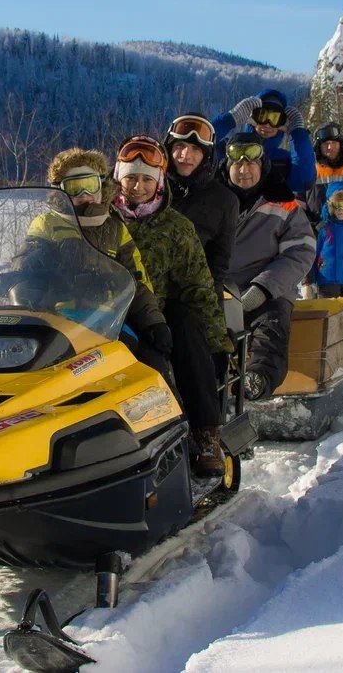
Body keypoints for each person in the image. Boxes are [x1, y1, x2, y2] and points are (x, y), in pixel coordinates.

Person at [112, 135, 233, 475]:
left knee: (187, 322)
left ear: (159, 183)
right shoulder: (103, 221)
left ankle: (206, 432)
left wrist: (216, 343)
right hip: (104, 314)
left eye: (147, 179)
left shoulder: (176, 228)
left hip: (158, 316)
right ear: (118, 178)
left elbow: (198, 286)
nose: (138, 186)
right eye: (131, 177)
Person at [20, 148, 172, 365]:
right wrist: (38, 262)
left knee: (151, 364)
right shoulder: (47, 224)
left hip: (107, 321)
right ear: (60, 191)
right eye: (73, 187)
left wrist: (153, 322)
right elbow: (26, 260)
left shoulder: (115, 229)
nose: (83, 194)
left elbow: (137, 280)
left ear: (101, 187)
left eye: (90, 185)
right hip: (57, 318)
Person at [223, 132, 316, 401]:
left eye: (250, 164)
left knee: (270, 327)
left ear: (262, 166)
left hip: (267, 290)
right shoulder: (214, 202)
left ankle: (258, 377)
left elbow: (301, 250)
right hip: (220, 290)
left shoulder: (283, 203)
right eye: (237, 165)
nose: (243, 171)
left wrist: (264, 286)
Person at [164, 113, 238, 299]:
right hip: (143, 292)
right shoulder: (151, 188)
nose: (185, 155)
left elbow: (217, 265)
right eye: (179, 146)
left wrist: (211, 315)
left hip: (192, 296)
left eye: (195, 149)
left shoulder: (223, 201)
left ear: (206, 155)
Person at [212, 89, 316, 195]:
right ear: (252, 119)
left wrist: (298, 132)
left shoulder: (283, 160)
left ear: (281, 124)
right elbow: (200, 146)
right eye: (262, 116)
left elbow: (303, 181)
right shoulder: (230, 150)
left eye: (274, 118)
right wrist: (231, 118)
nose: (267, 125)